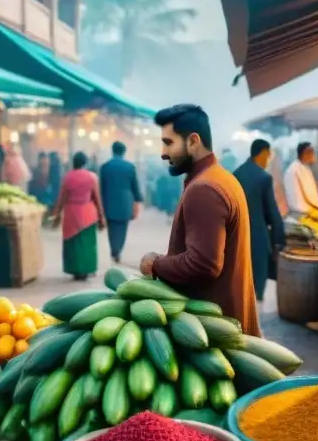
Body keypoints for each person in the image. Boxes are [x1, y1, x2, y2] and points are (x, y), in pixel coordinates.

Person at [139, 104, 260, 336]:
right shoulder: (221, 178)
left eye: (168, 142)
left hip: (213, 333)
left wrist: (155, 264)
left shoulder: (205, 188)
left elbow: (203, 264)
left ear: (194, 141)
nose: (163, 153)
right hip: (224, 325)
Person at [233, 139, 285, 305]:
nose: (268, 160)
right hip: (257, 238)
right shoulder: (264, 178)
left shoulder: (236, 174)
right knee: (256, 291)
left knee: (239, 285)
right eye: (267, 156)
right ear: (262, 152)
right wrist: (279, 240)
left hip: (236, 237)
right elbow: (272, 212)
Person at [52, 151, 105, 280]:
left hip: (71, 213)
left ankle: (75, 269)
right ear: (85, 163)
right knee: (87, 243)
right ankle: (87, 269)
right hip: (88, 213)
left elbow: (61, 198)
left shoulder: (67, 178)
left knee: (73, 243)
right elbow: (97, 199)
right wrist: (101, 217)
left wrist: (57, 213)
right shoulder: (92, 177)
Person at [100, 141, 143, 264]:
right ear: (124, 152)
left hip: (108, 201)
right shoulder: (130, 167)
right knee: (122, 228)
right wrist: (138, 201)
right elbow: (134, 186)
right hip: (125, 202)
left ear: (112, 150)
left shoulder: (105, 167)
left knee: (111, 228)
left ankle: (114, 248)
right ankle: (118, 249)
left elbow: (101, 187)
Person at [283, 142, 318, 219]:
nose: (314, 156)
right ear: (306, 153)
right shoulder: (297, 169)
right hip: (301, 213)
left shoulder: (302, 167)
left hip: (303, 212)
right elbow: (309, 194)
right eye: (312, 153)